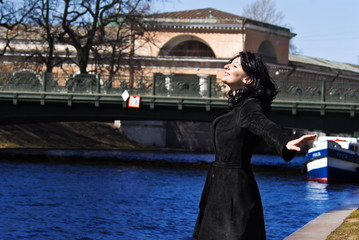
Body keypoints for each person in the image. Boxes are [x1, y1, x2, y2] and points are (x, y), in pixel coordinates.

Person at [192, 51, 316, 240]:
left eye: (234, 66)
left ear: (248, 79)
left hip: (235, 191)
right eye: (229, 63)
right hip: (218, 187)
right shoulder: (235, 107)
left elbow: (263, 124)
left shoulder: (249, 105)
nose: (227, 66)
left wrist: (284, 141)